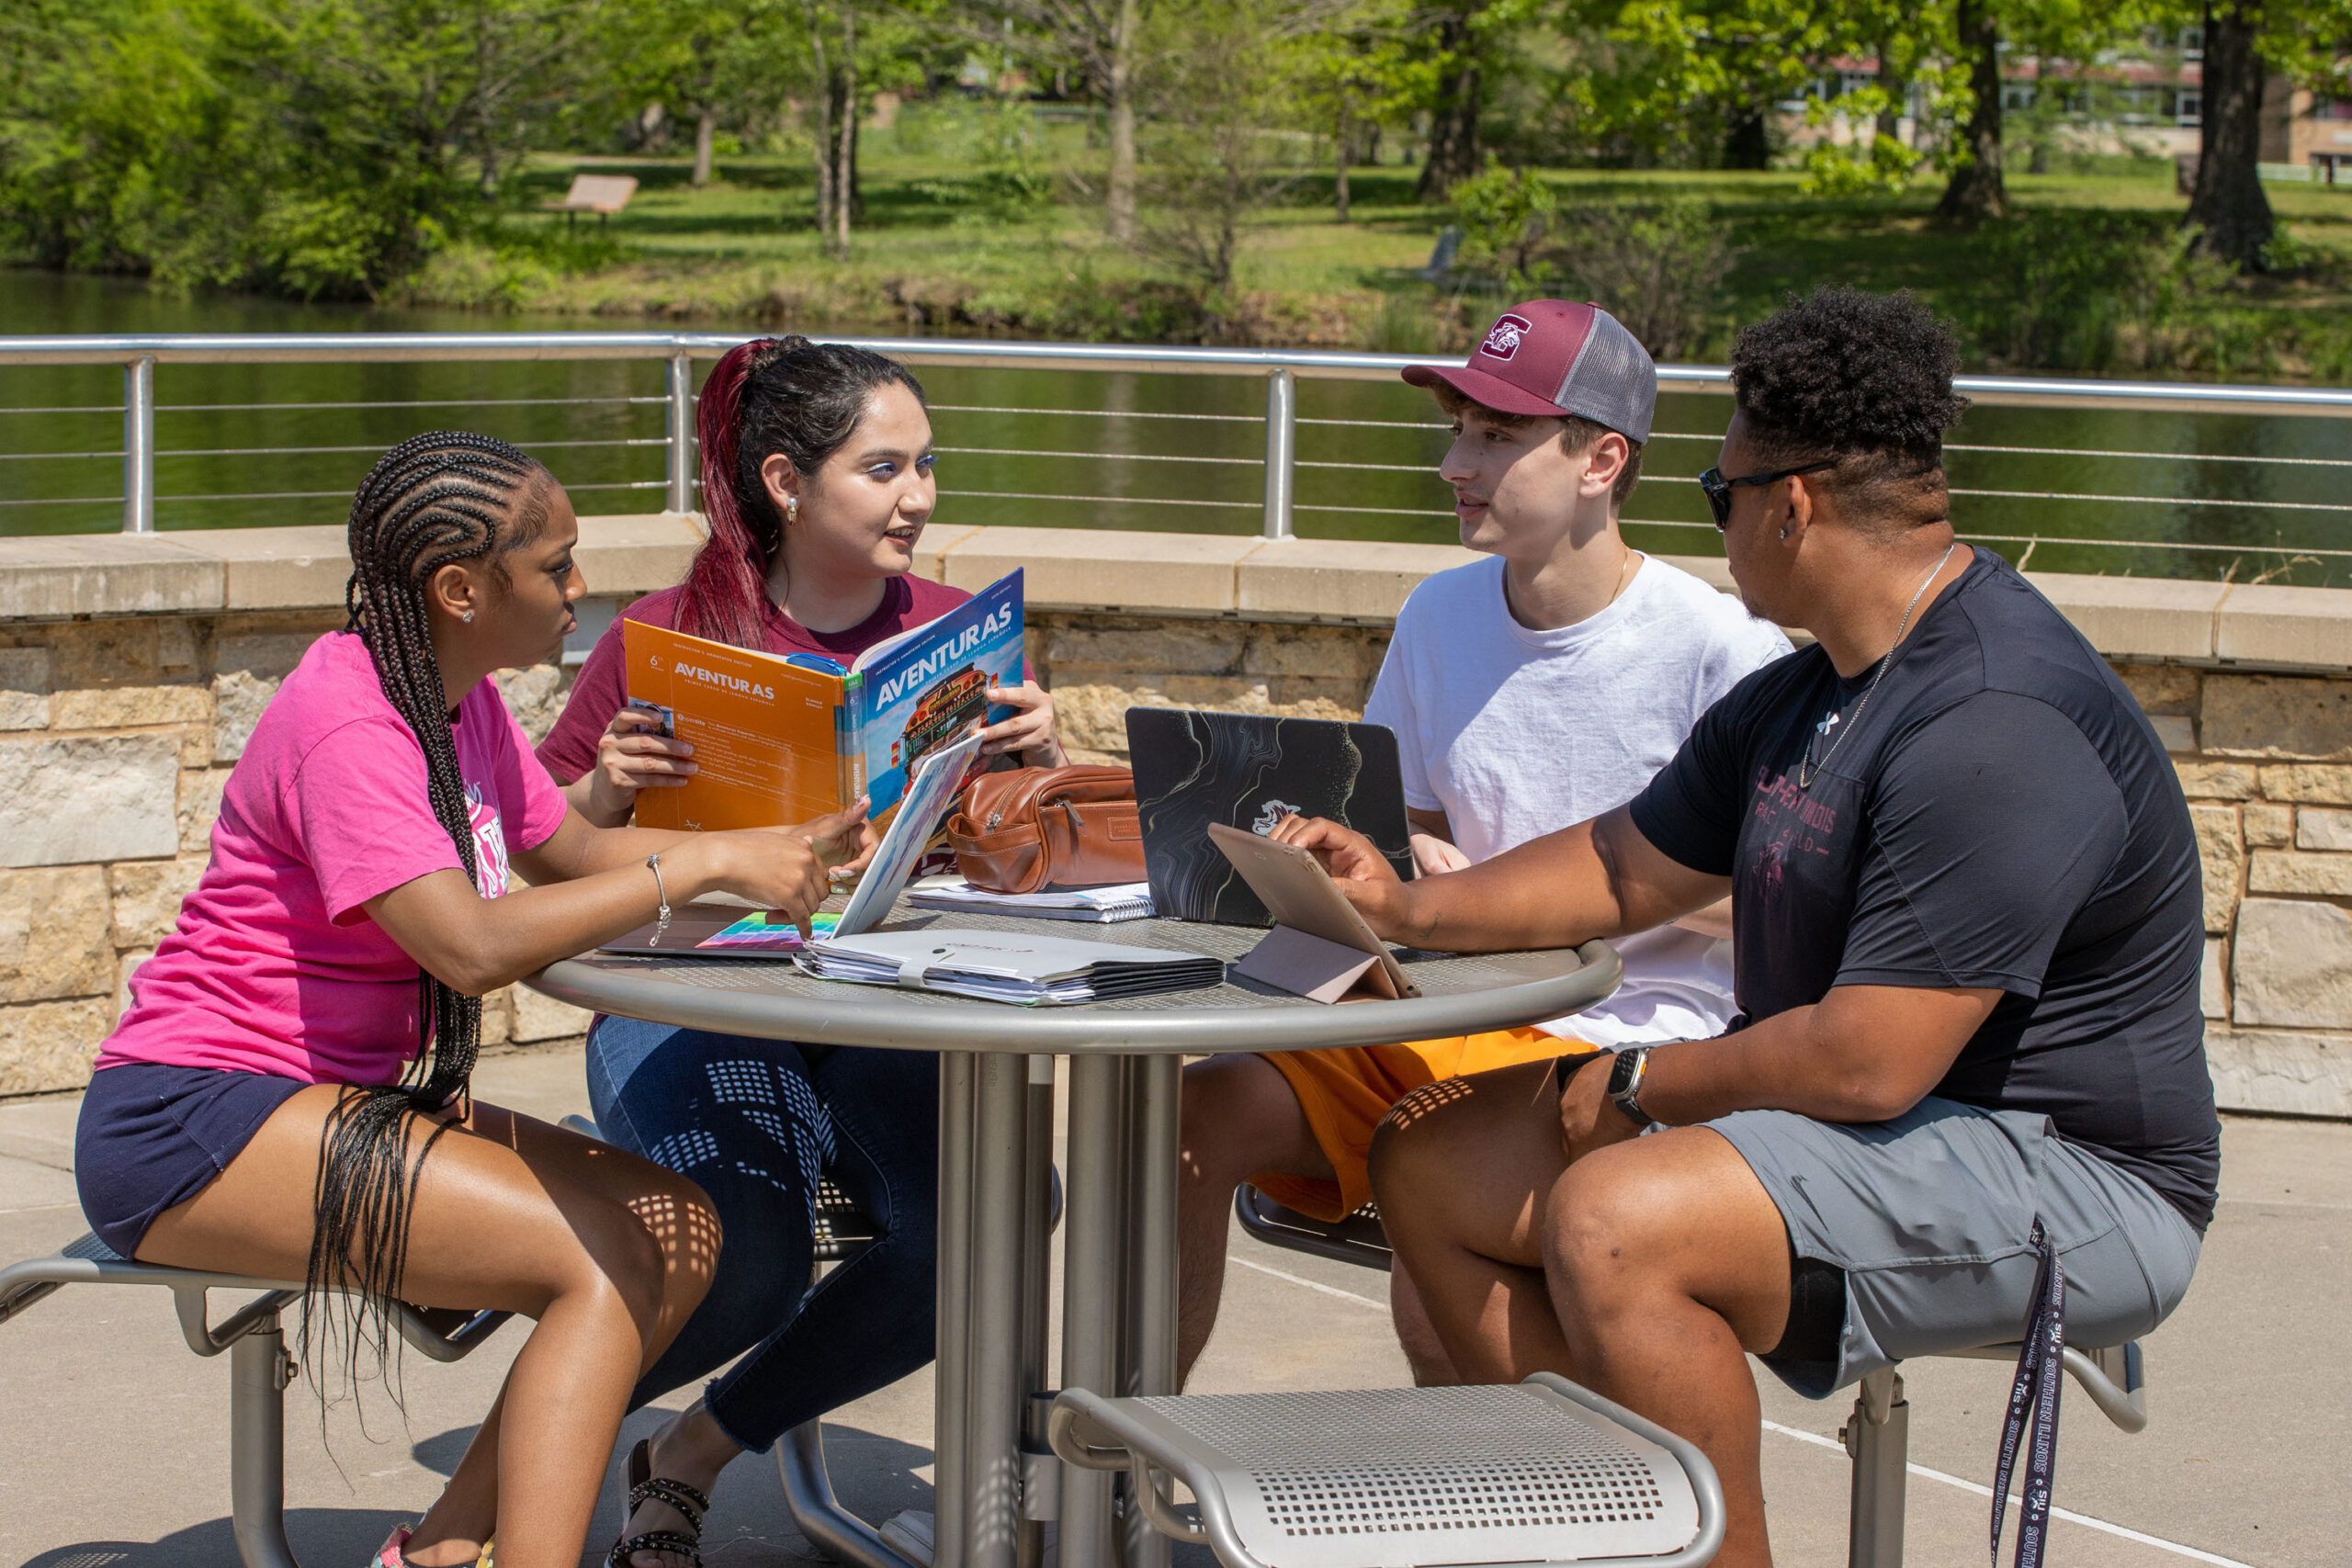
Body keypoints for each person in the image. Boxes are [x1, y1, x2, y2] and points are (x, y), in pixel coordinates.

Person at [1270, 288, 2218, 1568]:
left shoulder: (1995, 720)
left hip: (2072, 1172)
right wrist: (1402, 901)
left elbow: (1868, 1060)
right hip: (1877, 1122)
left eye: (1720, 494)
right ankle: (1603, 1534)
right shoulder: (1804, 689)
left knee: (1618, 1216)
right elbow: (1621, 863)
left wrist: (1638, 1082)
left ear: (1793, 505)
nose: (1711, 528)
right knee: (1430, 1159)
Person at [74, 433, 867, 1568]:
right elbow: (470, 946)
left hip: (336, 1101)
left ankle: (441, 1554)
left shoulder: (459, 699)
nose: (580, 587)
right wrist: (696, 866)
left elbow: (576, 853)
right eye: (555, 565)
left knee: (681, 1227)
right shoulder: (351, 723)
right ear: (460, 590)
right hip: (196, 1120)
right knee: (599, 1260)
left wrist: (773, 850)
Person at [1176, 300, 1791, 1382]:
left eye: (1496, 437)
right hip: (1445, 1009)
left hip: (1621, 1036)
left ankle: (1538, 1483)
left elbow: (1784, 903)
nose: (1455, 464)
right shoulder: (1438, 614)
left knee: (1431, 1261)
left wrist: (1532, 893)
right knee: (1187, 1124)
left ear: (1602, 460)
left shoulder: (1721, 651)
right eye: (1458, 429)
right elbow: (1406, 826)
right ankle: (1111, 1467)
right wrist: (1400, 862)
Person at [536, 337, 1067, 1568]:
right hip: (692, 993)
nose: (917, 497)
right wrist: (605, 788)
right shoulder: (668, 633)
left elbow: (1033, 859)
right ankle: (511, 1478)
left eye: (926, 465)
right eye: (884, 469)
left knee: (994, 1216)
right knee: (751, 1246)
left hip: (886, 994)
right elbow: (539, 839)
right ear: (786, 481)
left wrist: (1041, 758)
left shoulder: (956, 634)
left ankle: (691, 1453)